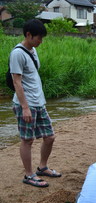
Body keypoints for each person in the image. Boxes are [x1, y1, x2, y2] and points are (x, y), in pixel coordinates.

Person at [10, 19, 61, 188]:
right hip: (26, 104)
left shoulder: (32, 51)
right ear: (28, 35)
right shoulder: (17, 53)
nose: (41, 41)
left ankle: (42, 167)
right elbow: (17, 82)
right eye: (39, 38)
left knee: (50, 137)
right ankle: (29, 175)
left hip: (39, 102)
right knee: (28, 140)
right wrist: (25, 107)